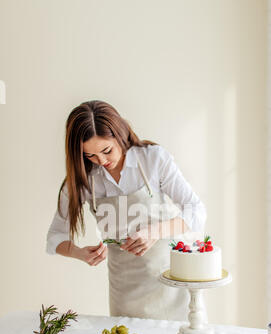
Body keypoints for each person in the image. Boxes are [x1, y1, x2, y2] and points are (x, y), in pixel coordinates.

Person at [46, 100, 206, 320]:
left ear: (119, 134)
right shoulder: (83, 180)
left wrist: (154, 232)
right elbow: (55, 237)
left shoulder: (152, 159)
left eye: (106, 150)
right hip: (124, 294)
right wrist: (80, 253)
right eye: (90, 156)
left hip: (171, 286)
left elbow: (196, 210)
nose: (101, 161)